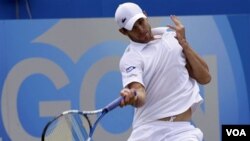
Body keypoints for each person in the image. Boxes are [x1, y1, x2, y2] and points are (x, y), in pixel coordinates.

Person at [114, 2, 211, 141]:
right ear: (124, 32)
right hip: (147, 132)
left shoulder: (172, 38)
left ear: (145, 15)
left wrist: (184, 43)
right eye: (133, 28)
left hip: (182, 132)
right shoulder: (131, 58)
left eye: (140, 22)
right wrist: (133, 95)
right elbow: (139, 92)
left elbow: (205, 78)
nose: (141, 29)